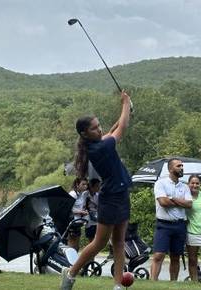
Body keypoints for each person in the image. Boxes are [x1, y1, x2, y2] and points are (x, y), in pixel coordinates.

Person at [60, 90, 132, 290]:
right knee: (99, 243)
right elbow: (122, 128)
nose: (99, 130)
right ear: (84, 133)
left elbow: (114, 129)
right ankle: (71, 273)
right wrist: (126, 103)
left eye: (99, 126)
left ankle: (118, 286)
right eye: (94, 128)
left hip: (122, 193)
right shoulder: (99, 148)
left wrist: (126, 110)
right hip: (110, 198)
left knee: (119, 241)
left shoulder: (99, 142)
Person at [150, 158, 193, 281]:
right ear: (170, 169)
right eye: (178, 166)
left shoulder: (184, 186)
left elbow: (189, 204)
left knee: (175, 256)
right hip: (163, 225)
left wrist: (172, 198)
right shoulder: (160, 183)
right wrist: (180, 201)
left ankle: (173, 283)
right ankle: (153, 282)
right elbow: (163, 202)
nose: (181, 168)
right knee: (158, 255)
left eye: (182, 166)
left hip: (179, 225)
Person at [67, 177, 89, 251]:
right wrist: (81, 212)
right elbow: (68, 208)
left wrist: (83, 210)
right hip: (72, 222)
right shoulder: (73, 194)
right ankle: (70, 261)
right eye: (83, 184)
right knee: (72, 244)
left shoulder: (82, 194)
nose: (85, 186)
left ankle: (75, 261)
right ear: (77, 184)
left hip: (78, 222)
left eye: (86, 184)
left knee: (77, 245)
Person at [84, 178, 100, 243]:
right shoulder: (85, 194)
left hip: (97, 218)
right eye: (97, 186)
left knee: (97, 237)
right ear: (91, 186)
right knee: (91, 237)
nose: (98, 187)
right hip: (88, 219)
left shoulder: (97, 195)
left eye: (99, 186)